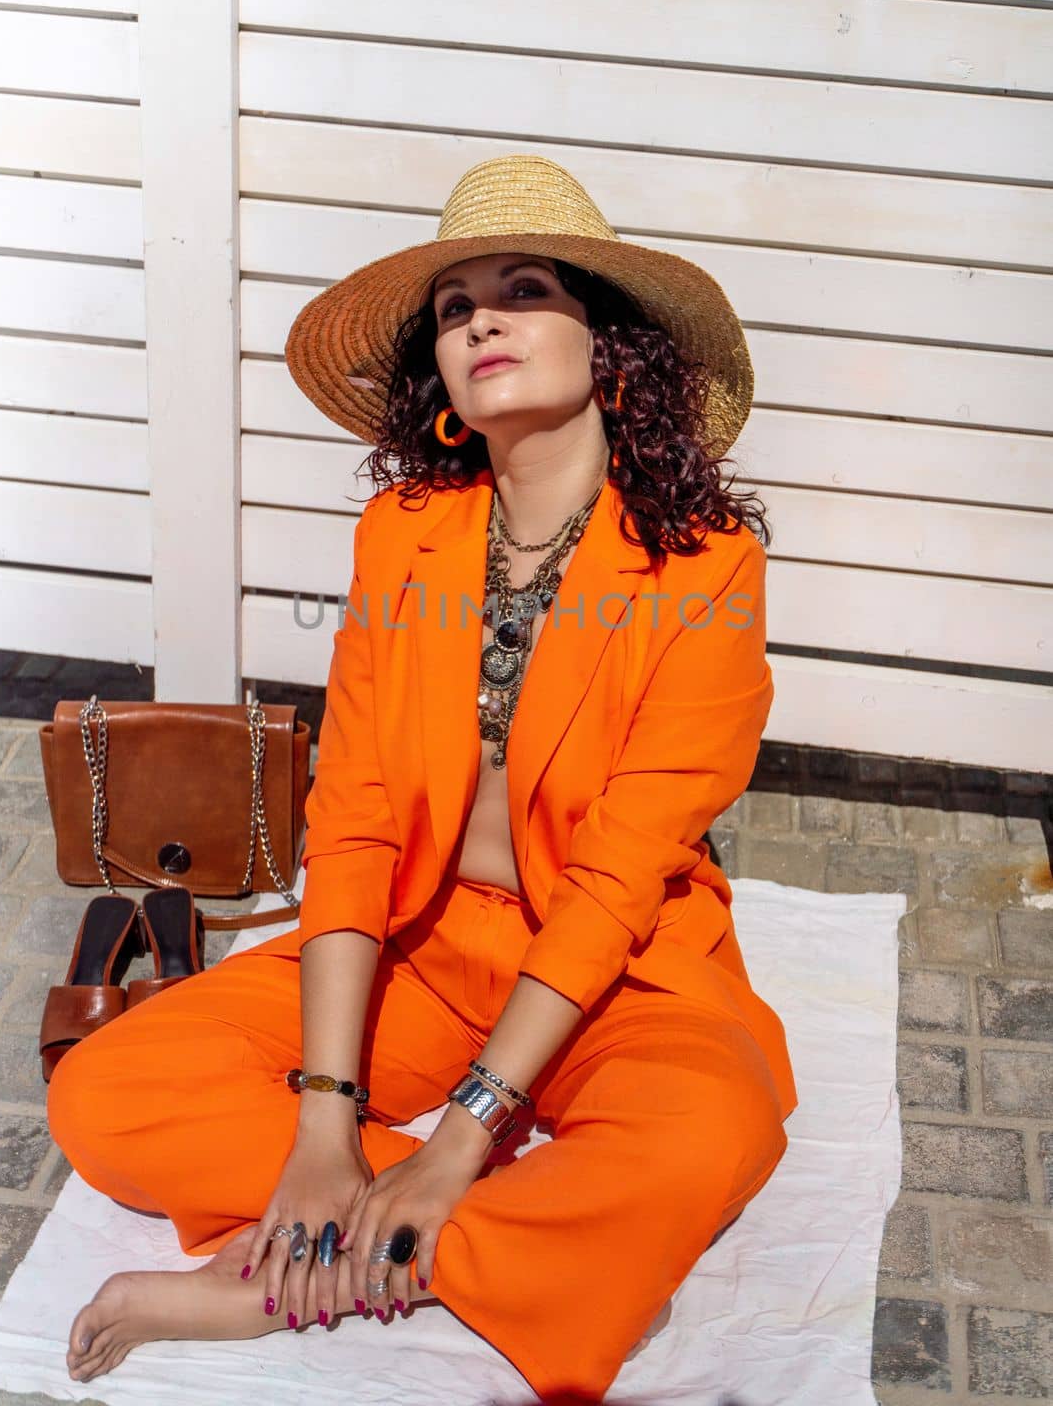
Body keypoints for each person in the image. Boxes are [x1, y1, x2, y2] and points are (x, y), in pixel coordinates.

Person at [46, 153, 798, 1405]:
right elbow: (351, 819)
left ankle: (297, 1276)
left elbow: (619, 877)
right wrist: (326, 1123)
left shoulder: (704, 566)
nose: (482, 319)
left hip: (607, 971)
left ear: (607, 347)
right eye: (454, 309)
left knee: (705, 1135)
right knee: (108, 1092)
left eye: (523, 289)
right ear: (441, 376)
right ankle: (500, 1237)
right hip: (424, 951)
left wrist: (458, 1139)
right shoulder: (404, 535)